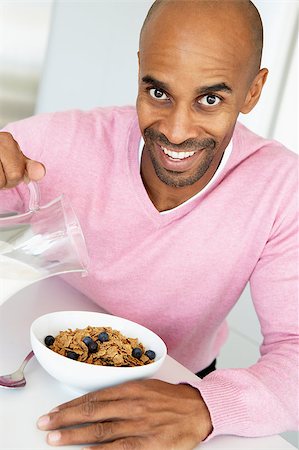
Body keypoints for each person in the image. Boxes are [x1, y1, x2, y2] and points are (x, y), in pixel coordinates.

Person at [0, 0, 298, 448]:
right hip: (41, 362)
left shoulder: (281, 188)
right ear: (140, 70)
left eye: (210, 99)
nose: (176, 132)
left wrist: (209, 406)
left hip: (179, 388)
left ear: (253, 91)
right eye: (158, 92)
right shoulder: (61, 144)